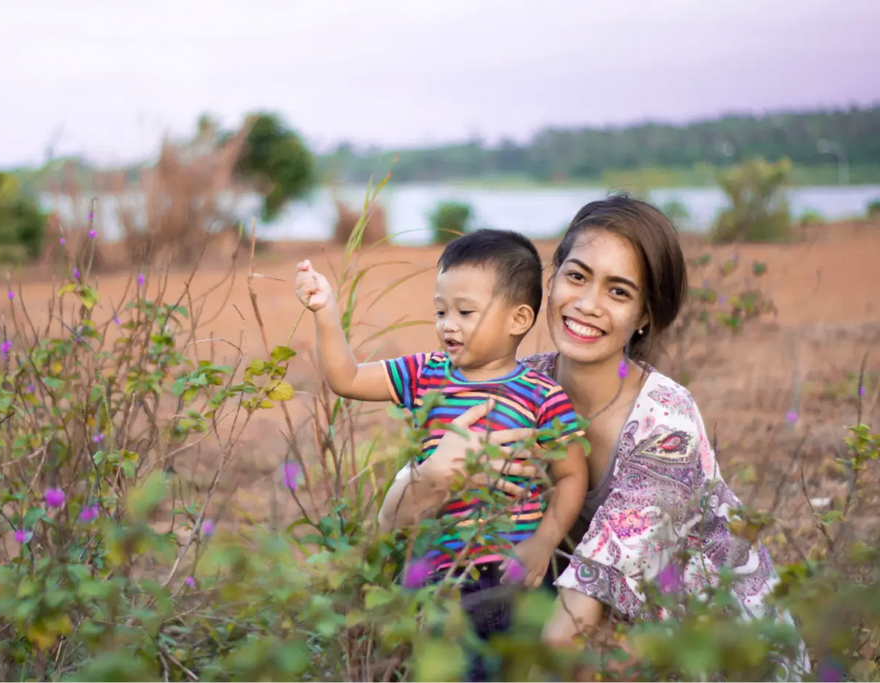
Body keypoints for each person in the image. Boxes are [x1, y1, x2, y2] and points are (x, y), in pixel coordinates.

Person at [377, 195, 810, 681]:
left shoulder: (666, 428)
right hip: (586, 626)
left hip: (709, 648)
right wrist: (433, 474)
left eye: (619, 292)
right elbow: (391, 523)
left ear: (645, 316)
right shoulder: (519, 387)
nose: (587, 304)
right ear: (553, 276)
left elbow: (575, 621)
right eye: (577, 276)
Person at [295, 228, 589, 681]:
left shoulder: (542, 395)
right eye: (441, 310)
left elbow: (572, 476)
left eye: (465, 312)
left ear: (518, 318)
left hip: (514, 575)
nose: (447, 324)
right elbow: (346, 378)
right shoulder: (426, 374)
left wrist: (545, 541)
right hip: (439, 577)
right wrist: (325, 313)